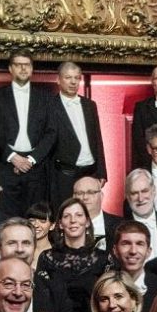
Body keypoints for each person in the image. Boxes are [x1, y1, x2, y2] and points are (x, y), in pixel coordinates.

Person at [0, 52, 63, 217]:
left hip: (36, 167)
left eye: (27, 65)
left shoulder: (46, 97)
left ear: (32, 69)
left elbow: (51, 133)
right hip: (6, 166)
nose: (23, 68)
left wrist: (31, 159)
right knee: (7, 219)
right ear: (10, 69)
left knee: (36, 218)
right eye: (18, 64)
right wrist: (13, 157)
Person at [36, 197, 107, 312]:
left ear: (87, 222)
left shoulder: (103, 259)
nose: (73, 220)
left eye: (78, 215)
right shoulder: (47, 258)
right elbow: (42, 302)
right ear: (61, 224)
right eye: (67, 216)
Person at [50, 59, 111, 206]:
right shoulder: (50, 105)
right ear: (58, 80)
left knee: (91, 215)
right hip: (64, 175)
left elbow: (97, 139)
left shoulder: (89, 105)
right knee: (66, 214)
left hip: (90, 172)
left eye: (77, 78)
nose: (73, 82)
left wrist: (102, 172)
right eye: (68, 77)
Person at [102, 168, 157, 261]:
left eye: (144, 191)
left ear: (154, 191)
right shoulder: (115, 230)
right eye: (134, 193)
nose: (140, 198)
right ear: (127, 197)